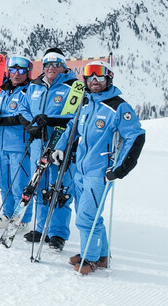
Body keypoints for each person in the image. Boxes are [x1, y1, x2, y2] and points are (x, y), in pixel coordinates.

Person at [63, 61, 144, 274]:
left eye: (99, 76)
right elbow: (73, 127)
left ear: (108, 78)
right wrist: (60, 148)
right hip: (80, 169)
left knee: (86, 218)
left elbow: (135, 136)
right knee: (91, 214)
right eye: (91, 77)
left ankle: (89, 260)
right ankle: (101, 255)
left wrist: (119, 168)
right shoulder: (86, 103)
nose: (95, 81)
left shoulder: (118, 106)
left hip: (100, 173)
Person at [22, 48, 79, 246]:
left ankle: (57, 233)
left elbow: (77, 118)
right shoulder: (35, 86)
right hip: (39, 143)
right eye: (47, 64)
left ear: (64, 66)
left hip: (60, 144)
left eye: (56, 64)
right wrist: (30, 124)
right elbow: (24, 107)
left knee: (59, 189)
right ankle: (40, 228)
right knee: (39, 184)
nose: (51, 68)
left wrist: (54, 126)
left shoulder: (74, 87)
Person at [0, 56, 37, 229]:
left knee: (19, 185)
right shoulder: (4, 90)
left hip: (20, 147)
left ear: (27, 72)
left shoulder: (30, 91)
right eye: (13, 70)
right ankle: (7, 214)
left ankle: (22, 219)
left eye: (21, 70)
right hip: (2, 146)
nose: (17, 74)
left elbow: (24, 117)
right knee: (4, 183)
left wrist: (2, 121)